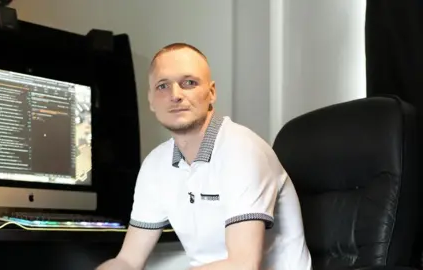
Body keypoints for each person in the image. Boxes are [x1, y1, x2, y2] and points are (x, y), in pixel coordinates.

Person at [97, 43, 312, 270]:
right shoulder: (155, 165)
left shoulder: (242, 150)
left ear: (211, 93)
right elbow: (128, 261)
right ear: (151, 100)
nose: (175, 95)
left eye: (188, 83)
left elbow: (244, 265)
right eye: (163, 86)